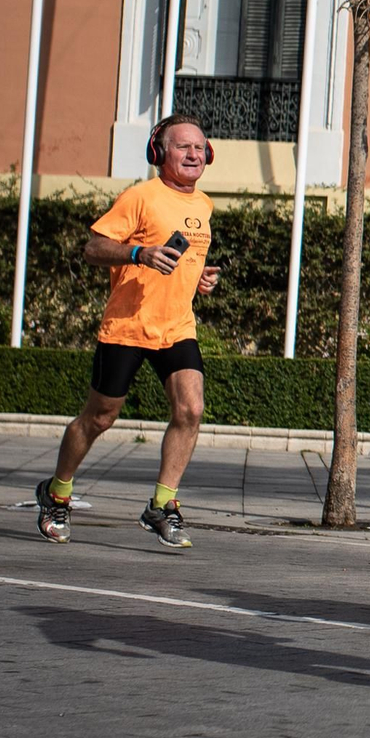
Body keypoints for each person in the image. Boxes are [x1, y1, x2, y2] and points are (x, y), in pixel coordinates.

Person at [34, 114, 222, 550]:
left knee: (191, 409)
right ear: (160, 153)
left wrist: (200, 278)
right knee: (99, 417)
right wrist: (139, 253)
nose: (193, 154)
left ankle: (162, 505)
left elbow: (183, 264)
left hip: (177, 326)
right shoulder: (140, 196)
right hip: (127, 326)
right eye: (183, 146)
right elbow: (94, 247)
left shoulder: (204, 205)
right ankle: (57, 493)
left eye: (199, 147)